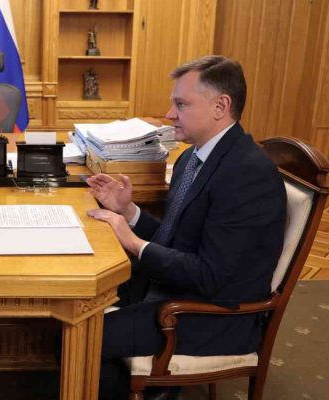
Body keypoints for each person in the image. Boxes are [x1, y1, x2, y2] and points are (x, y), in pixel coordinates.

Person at [86, 55, 287, 399]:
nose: (169, 114)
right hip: (173, 288)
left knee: (83, 337)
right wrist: (128, 211)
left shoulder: (247, 174)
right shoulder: (192, 158)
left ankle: (151, 390)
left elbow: (211, 276)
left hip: (211, 316)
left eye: (181, 104)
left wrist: (132, 242)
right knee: (79, 305)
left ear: (220, 107)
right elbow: (177, 238)